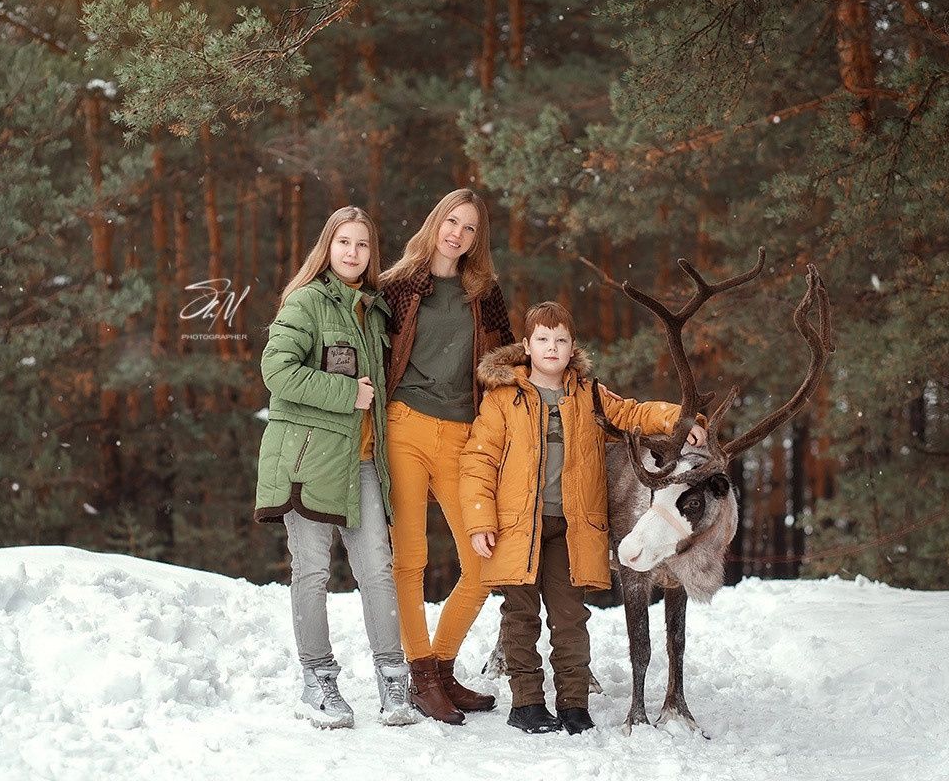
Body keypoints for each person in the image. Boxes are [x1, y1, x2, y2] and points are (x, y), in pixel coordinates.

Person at [460, 301, 706, 734]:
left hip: (573, 529)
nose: (551, 347)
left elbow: (633, 413)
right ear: (527, 345)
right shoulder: (503, 399)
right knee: (521, 617)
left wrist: (679, 419)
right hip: (518, 526)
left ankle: (573, 705)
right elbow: (479, 461)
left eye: (560, 340)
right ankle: (527, 704)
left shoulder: (588, 394)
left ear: (572, 346)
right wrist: (481, 520)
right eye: (542, 340)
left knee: (570, 618)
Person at [253, 206, 419, 729]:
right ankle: (318, 680)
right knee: (313, 571)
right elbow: (276, 371)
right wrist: (347, 393)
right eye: (343, 242)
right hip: (308, 461)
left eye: (363, 245)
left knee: (377, 571)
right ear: (328, 247)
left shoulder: (373, 310)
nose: (352, 252)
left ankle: (394, 680)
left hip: (365, 461)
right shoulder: (305, 302)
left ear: (373, 254)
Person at [379, 188, 514, 724]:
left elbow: (507, 361)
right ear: (435, 222)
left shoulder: (485, 293)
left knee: (484, 562)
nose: (457, 233)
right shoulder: (396, 286)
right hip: (404, 427)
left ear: (478, 240)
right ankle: (420, 677)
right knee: (409, 560)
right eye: (451, 222)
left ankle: (440, 665)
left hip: (463, 434)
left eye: (470, 228)